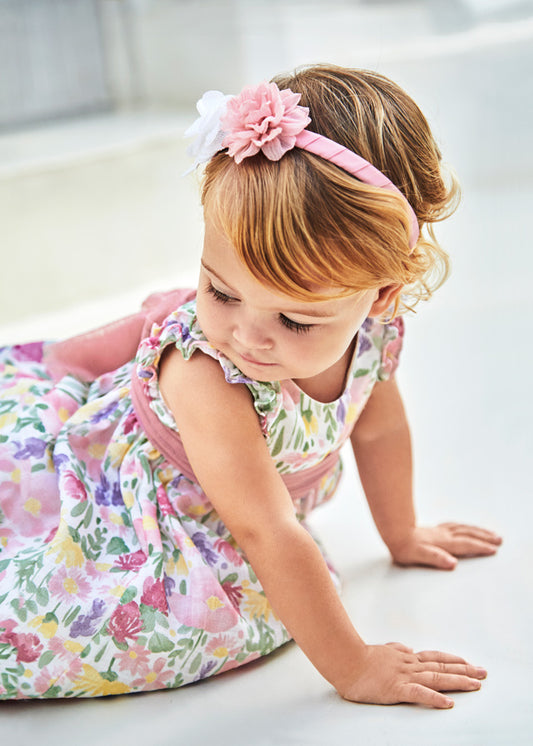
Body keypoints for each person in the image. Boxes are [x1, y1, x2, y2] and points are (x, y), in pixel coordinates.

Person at [0, 64, 501, 705]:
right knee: (99, 625)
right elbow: (266, 530)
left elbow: (381, 430)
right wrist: (354, 667)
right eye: (220, 291)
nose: (247, 336)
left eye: (294, 318)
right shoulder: (208, 372)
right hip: (138, 512)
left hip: (242, 508)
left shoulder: (372, 340)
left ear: (381, 297)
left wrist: (402, 535)